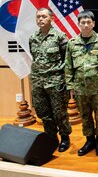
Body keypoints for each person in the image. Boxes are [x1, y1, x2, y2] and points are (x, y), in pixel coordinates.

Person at [65, 10, 98, 156]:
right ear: (78, 24)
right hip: (80, 88)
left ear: (93, 23)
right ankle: (89, 140)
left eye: (88, 22)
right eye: (82, 22)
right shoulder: (72, 43)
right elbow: (68, 65)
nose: (85, 25)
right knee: (85, 115)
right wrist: (70, 86)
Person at [29, 8, 72, 152]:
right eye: (38, 17)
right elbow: (35, 58)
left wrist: (66, 80)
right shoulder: (33, 38)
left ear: (51, 19)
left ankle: (65, 137)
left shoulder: (59, 37)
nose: (40, 19)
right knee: (43, 113)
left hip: (55, 81)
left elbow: (67, 59)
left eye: (44, 16)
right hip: (38, 82)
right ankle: (51, 138)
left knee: (59, 113)